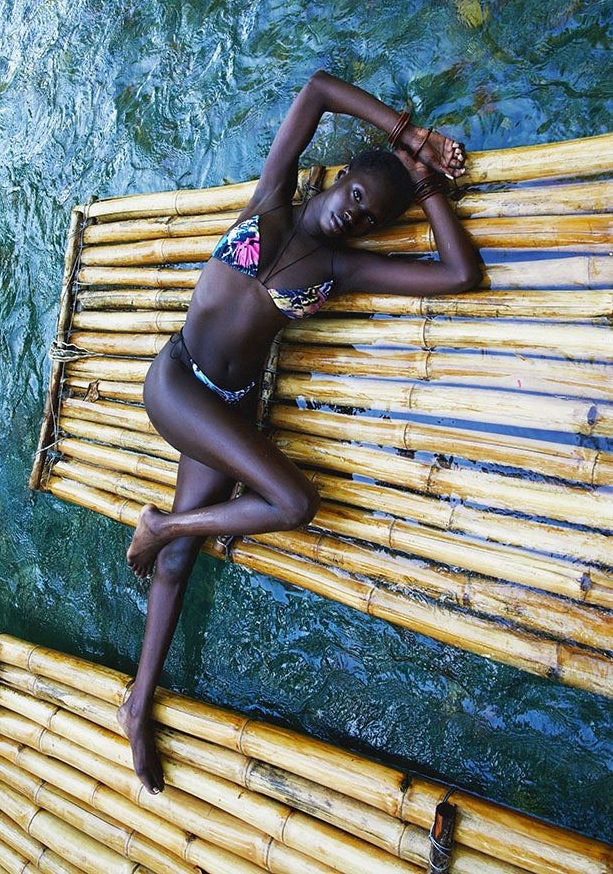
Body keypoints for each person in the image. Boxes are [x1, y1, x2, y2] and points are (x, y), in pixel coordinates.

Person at [117, 70, 481, 793]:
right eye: (355, 198)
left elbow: (460, 275)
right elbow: (316, 89)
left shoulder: (343, 267)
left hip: (229, 406)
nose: (356, 217)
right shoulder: (270, 201)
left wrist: (428, 189)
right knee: (294, 504)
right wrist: (408, 138)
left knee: (185, 560)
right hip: (178, 381)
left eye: (372, 218)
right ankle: (165, 526)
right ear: (337, 179)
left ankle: (137, 699)